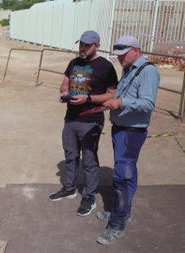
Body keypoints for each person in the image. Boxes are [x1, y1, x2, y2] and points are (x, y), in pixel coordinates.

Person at [96, 36, 160, 245]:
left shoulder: (148, 71)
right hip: (121, 130)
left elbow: (148, 103)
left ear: (135, 50)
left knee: (122, 177)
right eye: (118, 56)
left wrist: (121, 102)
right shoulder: (129, 67)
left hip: (132, 132)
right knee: (127, 173)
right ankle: (121, 211)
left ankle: (117, 224)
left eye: (123, 55)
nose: (120, 59)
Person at [49, 31, 118, 217]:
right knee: (70, 155)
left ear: (97, 45)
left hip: (91, 120)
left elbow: (112, 94)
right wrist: (65, 93)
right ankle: (69, 188)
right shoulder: (74, 63)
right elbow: (64, 84)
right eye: (81, 44)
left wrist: (88, 98)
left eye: (87, 45)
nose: (82, 48)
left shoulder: (106, 66)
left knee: (89, 159)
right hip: (71, 118)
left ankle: (89, 197)